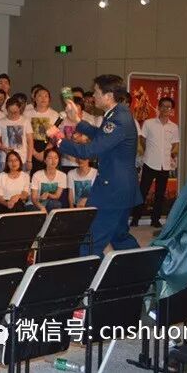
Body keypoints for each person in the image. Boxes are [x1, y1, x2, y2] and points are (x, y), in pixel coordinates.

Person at [52, 74, 141, 256]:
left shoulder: (118, 119)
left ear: (108, 96)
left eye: (96, 92)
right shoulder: (117, 114)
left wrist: (58, 139)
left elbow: (88, 151)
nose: (93, 96)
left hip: (113, 190)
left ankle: (86, 273)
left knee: (92, 240)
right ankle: (143, 267)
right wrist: (77, 121)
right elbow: (101, 135)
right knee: (119, 236)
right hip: (121, 187)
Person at [134, 97, 179, 228]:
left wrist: (172, 155)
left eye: (168, 107)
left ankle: (155, 219)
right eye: (163, 106)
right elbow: (142, 140)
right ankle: (135, 218)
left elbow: (175, 144)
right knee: (142, 191)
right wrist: (149, 151)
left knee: (160, 194)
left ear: (171, 110)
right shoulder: (148, 123)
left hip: (164, 165)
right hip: (150, 162)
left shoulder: (174, 127)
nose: (166, 109)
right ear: (158, 107)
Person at [24, 87, 60, 174]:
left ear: (49, 99)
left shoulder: (55, 115)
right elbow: (24, 136)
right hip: (30, 149)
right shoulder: (26, 114)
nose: (43, 98)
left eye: (46, 96)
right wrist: (34, 153)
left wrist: (45, 152)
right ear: (34, 98)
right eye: (40, 96)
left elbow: (56, 137)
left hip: (48, 149)